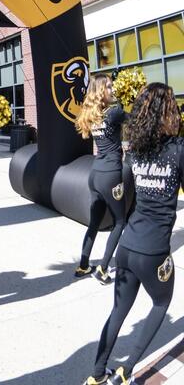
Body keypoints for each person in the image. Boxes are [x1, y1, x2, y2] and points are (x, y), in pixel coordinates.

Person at [85, 84, 182, 385]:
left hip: (126, 247)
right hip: (154, 251)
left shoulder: (134, 152)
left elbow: (127, 195)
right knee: (161, 304)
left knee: (118, 310)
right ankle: (127, 371)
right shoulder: (178, 149)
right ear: (170, 113)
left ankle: (97, 374)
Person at [74, 74, 127, 284]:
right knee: (120, 222)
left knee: (94, 222)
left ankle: (84, 265)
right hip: (110, 175)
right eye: (109, 87)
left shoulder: (93, 115)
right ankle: (103, 269)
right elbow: (137, 119)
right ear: (100, 91)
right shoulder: (114, 112)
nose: (112, 90)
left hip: (94, 174)